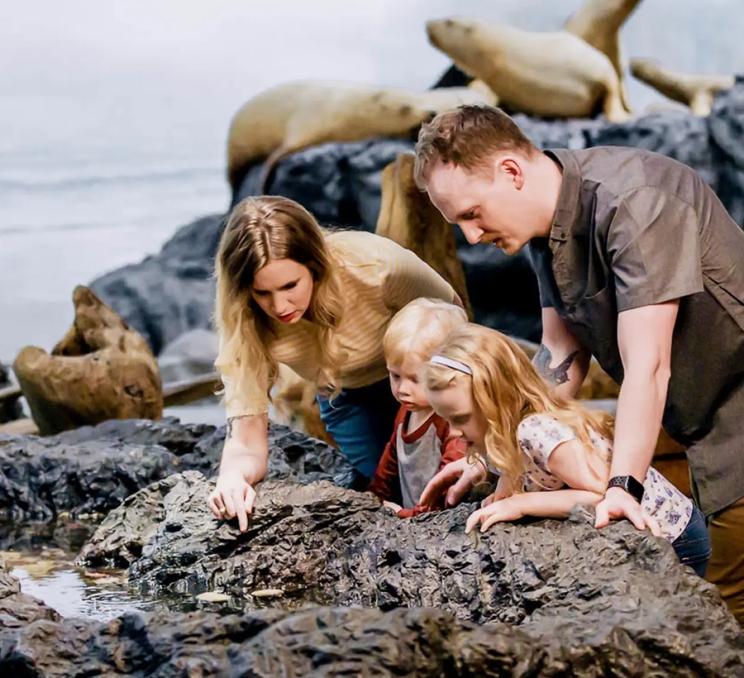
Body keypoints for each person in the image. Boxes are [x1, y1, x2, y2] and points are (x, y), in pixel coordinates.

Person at [413, 104, 744, 622]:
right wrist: (493, 455)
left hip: (736, 414)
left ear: (511, 172)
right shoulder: (544, 233)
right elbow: (560, 359)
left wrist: (621, 488)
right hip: (697, 424)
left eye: (473, 214)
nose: (471, 238)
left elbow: (649, 364)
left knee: (726, 607)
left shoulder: (634, 202)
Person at [207, 196, 460, 531]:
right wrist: (232, 479)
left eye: (290, 286)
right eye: (262, 293)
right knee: (388, 493)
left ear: (315, 266)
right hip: (346, 397)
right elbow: (246, 436)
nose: (280, 306)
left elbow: (454, 317)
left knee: (451, 484)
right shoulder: (244, 322)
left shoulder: (378, 266)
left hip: (422, 378)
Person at [424, 323, 710, 576]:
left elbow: (601, 495)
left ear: (496, 402)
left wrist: (519, 505)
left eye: (459, 418)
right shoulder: (502, 432)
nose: (454, 432)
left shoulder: (537, 432)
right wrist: (503, 495)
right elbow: (518, 468)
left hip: (672, 535)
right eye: (446, 419)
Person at [367, 298, 468, 517]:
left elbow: (448, 492)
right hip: (410, 516)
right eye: (395, 375)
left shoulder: (452, 423)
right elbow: (389, 464)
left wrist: (405, 515)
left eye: (415, 379)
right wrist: (373, 500)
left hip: (435, 523)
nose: (403, 389)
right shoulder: (409, 409)